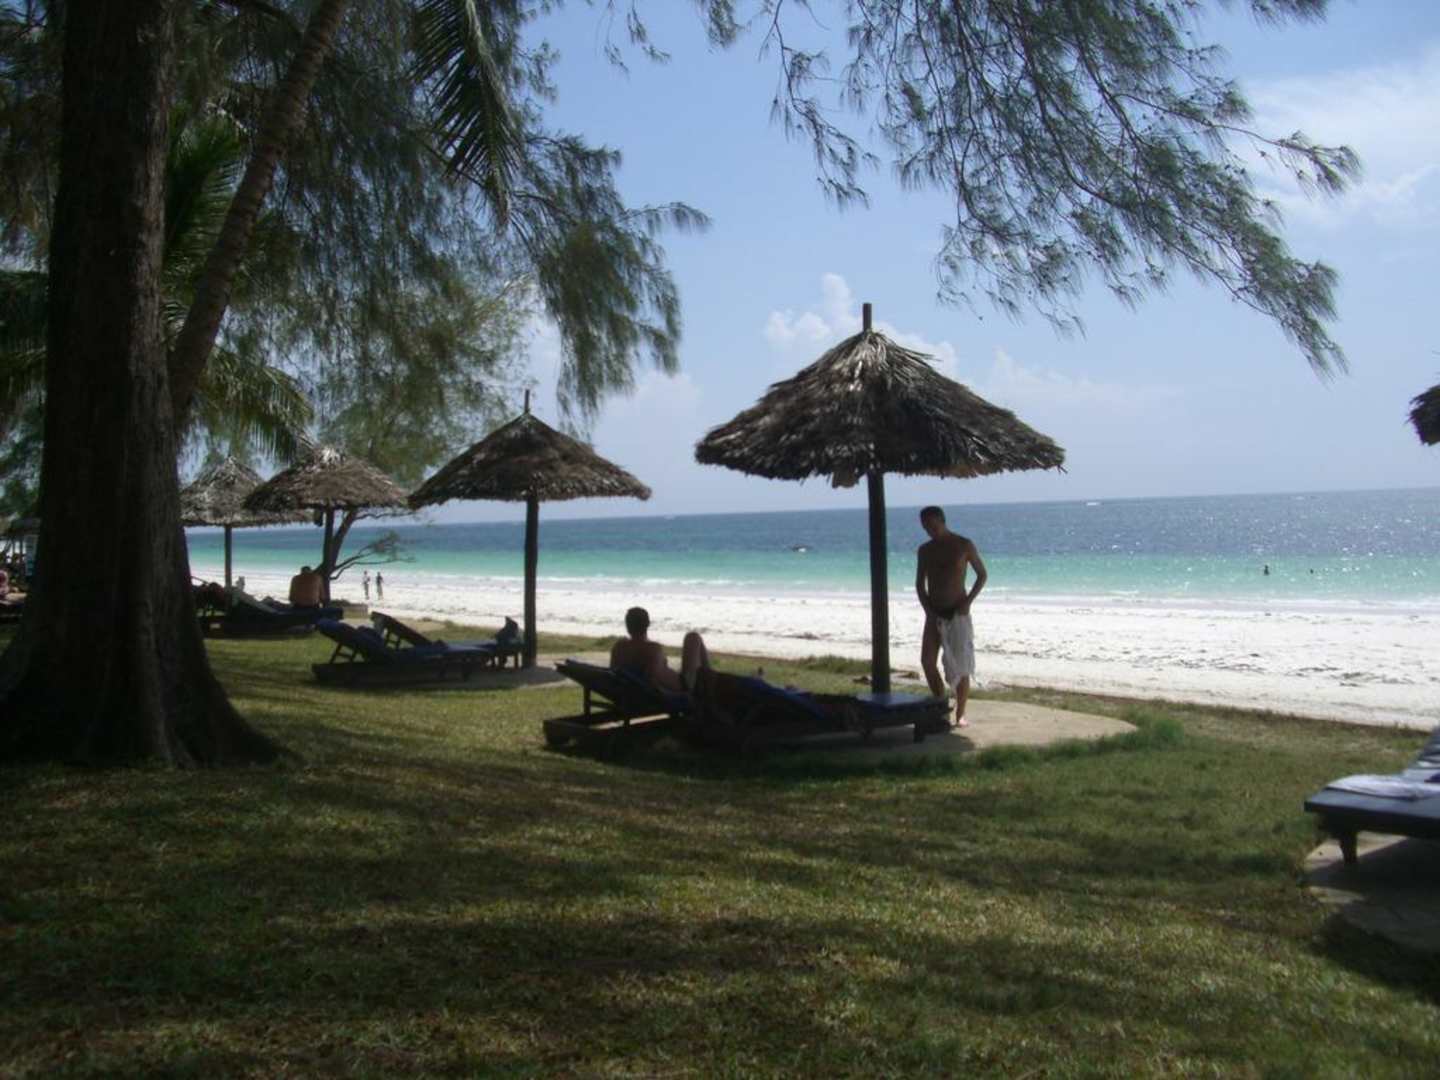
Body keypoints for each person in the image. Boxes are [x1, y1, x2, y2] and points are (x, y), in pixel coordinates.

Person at [915, 506, 987, 727]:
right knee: (927, 661)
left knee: (961, 666)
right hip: (934, 613)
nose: (929, 530)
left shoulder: (963, 545)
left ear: (942, 521)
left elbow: (982, 575)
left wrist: (968, 602)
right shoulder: (925, 550)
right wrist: (928, 609)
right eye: (925, 527)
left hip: (958, 613)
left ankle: (960, 714)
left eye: (932, 525)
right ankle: (941, 703)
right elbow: (920, 584)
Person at [609, 606, 711, 693]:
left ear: (627, 626)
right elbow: (653, 680)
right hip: (683, 686)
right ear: (648, 624)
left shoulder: (618, 648)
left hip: (634, 693)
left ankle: (709, 679)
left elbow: (613, 674)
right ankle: (710, 683)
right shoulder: (653, 649)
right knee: (693, 637)